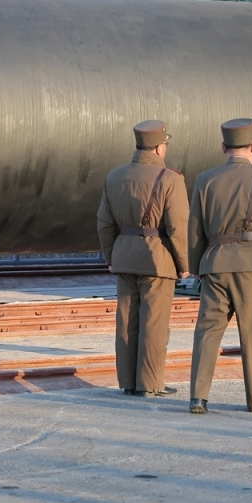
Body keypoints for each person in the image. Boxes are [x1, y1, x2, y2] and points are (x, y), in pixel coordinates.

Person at [187, 118, 252, 414]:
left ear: (223, 147)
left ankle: (198, 397)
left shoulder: (204, 180)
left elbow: (195, 228)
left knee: (207, 331)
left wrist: (196, 266)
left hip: (215, 263)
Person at [97, 119, 190, 398]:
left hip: (124, 257)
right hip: (158, 260)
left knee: (127, 321)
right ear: (161, 148)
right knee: (154, 323)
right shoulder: (171, 180)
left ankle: (128, 381)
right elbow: (178, 227)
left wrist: (111, 256)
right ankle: (149, 384)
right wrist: (185, 264)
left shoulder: (114, 176)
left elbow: (104, 223)